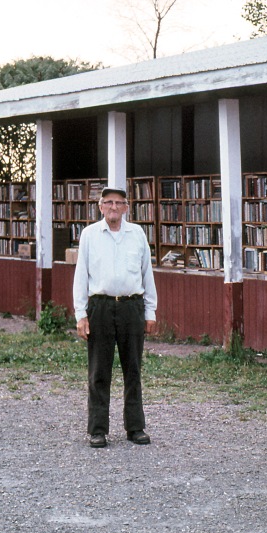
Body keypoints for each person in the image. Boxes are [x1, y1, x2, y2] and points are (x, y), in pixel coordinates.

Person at [73, 186, 158, 448]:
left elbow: (147, 273)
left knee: (133, 369)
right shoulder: (89, 235)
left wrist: (150, 311)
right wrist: (81, 314)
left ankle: (135, 427)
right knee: (99, 371)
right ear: (100, 206)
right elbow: (81, 275)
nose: (113, 207)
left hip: (131, 307)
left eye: (118, 203)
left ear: (126, 207)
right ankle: (98, 430)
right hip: (100, 307)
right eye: (108, 202)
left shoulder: (137, 234)